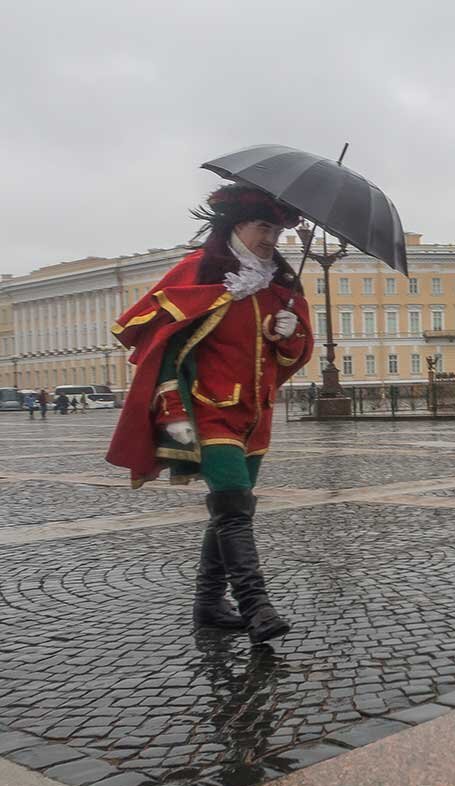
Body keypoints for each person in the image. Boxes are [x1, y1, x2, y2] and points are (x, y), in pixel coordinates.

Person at [107, 184, 314, 643]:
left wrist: (289, 332)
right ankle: (256, 605)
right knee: (234, 508)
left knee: (231, 509)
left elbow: (289, 359)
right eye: (263, 226)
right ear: (235, 225)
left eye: (277, 230)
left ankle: (207, 605)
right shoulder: (198, 273)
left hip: (256, 417)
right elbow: (164, 349)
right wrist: (174, 412)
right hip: (209, 410)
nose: (271, 238)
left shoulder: (279, 288)